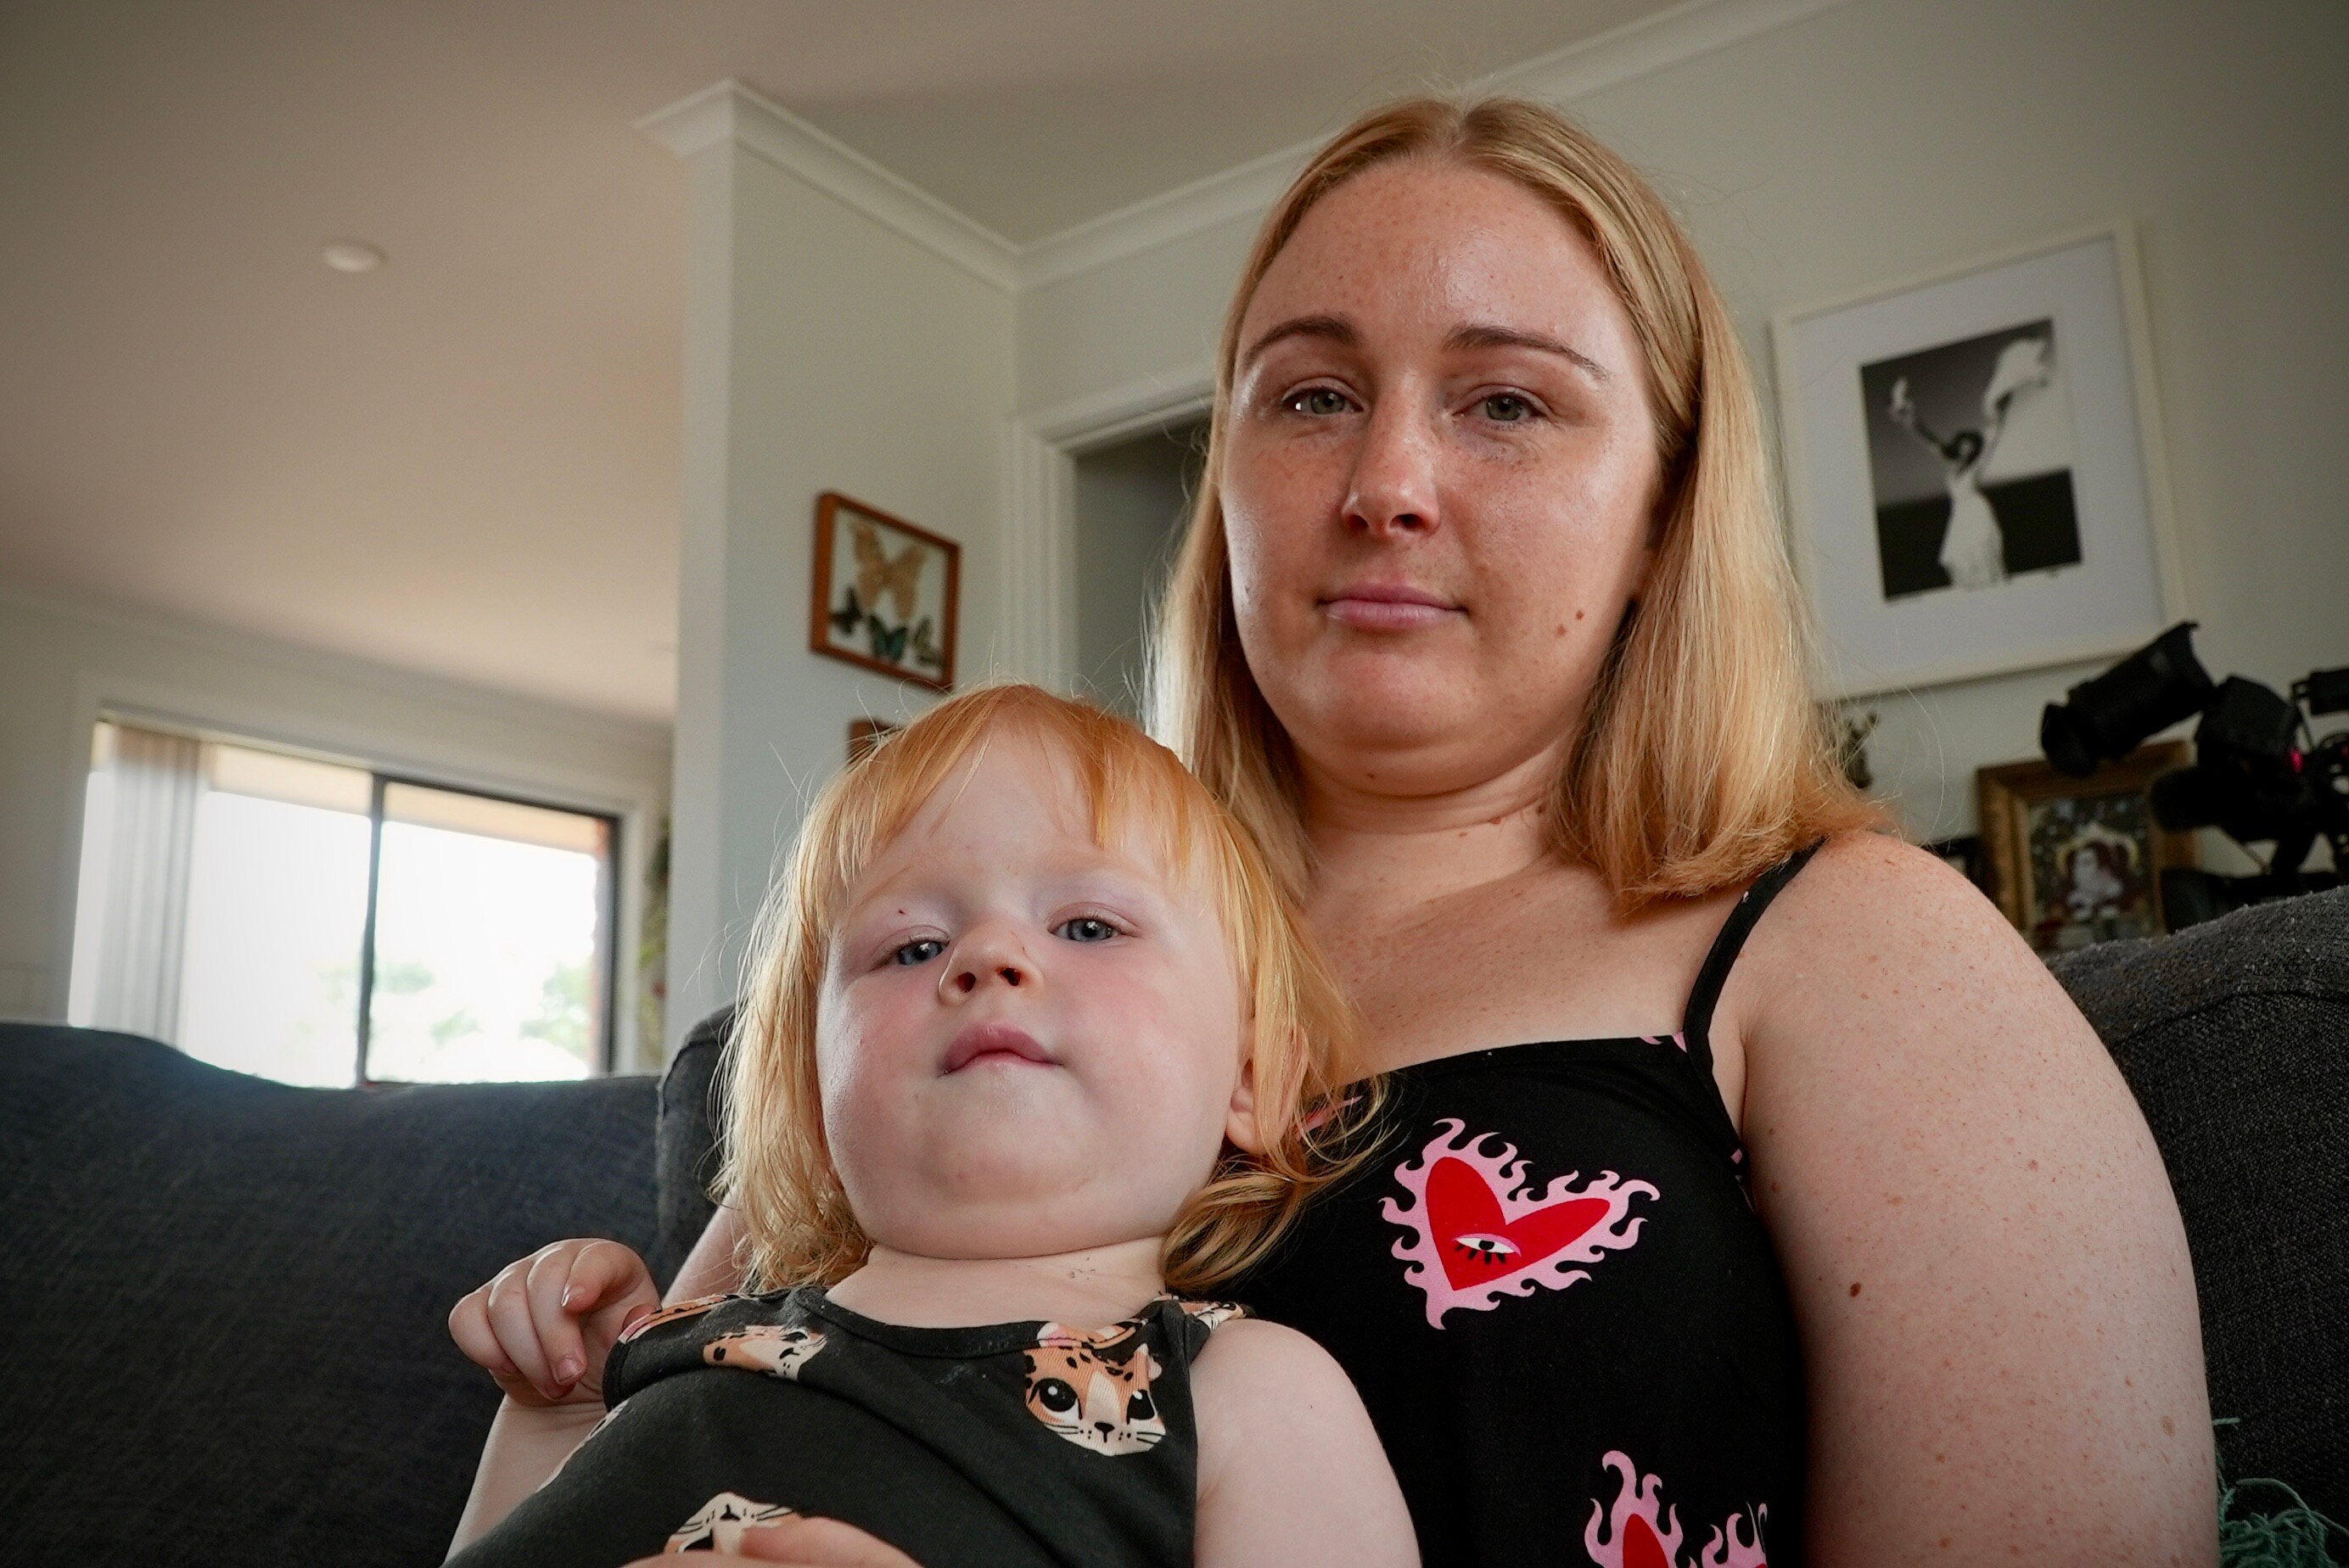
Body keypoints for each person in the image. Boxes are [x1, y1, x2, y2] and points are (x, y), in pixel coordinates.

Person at [528, 98, 2217, 1565]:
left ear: (1660, 510)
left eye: (1507, 404)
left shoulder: (1853, 942)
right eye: (1312, 396)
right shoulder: (982, 958)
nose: (1386, 482)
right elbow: (667, 1422)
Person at [443, 686, 1416, 1567]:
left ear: (1251, 1078)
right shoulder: (689, 1336)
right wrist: (555, 1407)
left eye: (1087, 926)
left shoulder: (1245, 1392)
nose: (987, 956)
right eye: (912, 946)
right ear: (813, 1102)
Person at [1886, 335, 2053, 589]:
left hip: (1976, 513)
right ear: (1959, 445)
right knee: (1960, 563)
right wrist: (1911, 417)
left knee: (1981, 560)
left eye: (1971, 445)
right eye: (1964, 444)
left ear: (1975, 449)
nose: (1967, 448)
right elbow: (1929, 439)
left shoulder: (1978, 464)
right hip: (1959, 517)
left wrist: (2003, 400)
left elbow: (1996, 431)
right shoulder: (1953, 464)